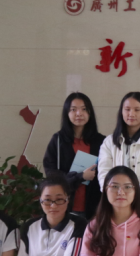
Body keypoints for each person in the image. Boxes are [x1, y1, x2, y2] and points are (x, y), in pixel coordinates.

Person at [98, 92, 140, 217]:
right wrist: (114, 198)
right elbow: (104, 174)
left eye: (137, 110)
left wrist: (134, 203)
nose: (131, 114)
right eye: (127, 109)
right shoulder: (109, 141)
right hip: (116, 206)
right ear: (121, 111)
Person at [42, 92, 106, 220]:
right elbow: (52, 174)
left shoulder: (101, 141)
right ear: (67, 113)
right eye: (73, 109)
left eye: (84, 109)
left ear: (90, 113)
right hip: (65, 206)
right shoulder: (58, 140)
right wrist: (80, 176)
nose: (79, 113)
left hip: (95, 207)